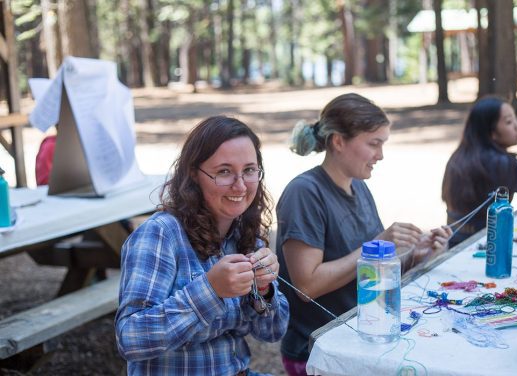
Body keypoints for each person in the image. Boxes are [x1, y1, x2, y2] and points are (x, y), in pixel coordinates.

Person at [275, 93, 451, 375]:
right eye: (373, 144)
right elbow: (306, 287)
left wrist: (417, 255)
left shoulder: (358, 186)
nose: (380, 155)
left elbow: (369, 270)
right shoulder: (304, 193)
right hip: (319, 352)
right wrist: (379, 243)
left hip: (361, 336)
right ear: (338, 141)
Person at [115, 116, 289, 375]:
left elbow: (273, 332)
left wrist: (263, 290)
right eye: (224, 171)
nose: (240, 185)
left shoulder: (245, 233)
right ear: (194, 174)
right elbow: (130, 339)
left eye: (249, 170)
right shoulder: (160, 235)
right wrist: (211, 290)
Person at [442, 96, 517, 246]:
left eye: (515, 119)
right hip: (482, 246)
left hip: (455, 243)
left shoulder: (460, 156)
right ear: (491, 132)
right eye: (508, 122)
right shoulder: (501, 164)